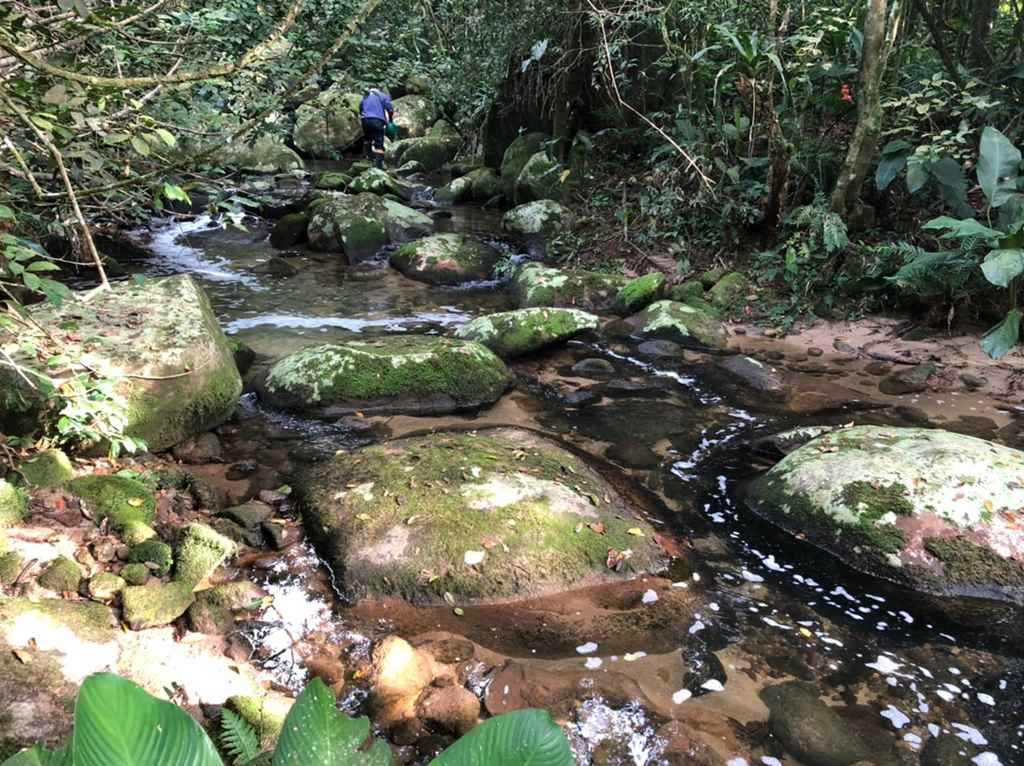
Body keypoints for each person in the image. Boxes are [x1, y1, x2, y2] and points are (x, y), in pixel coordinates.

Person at [360, 87, 394, 169]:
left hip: (365, 120)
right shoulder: (382, 96)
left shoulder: (365, 96)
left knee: (367, 139)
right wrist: (390, 120)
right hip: (377, 121)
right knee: (379, 142)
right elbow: (390, 108)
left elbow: (360, 109)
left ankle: (368, 159)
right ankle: (379, 166)